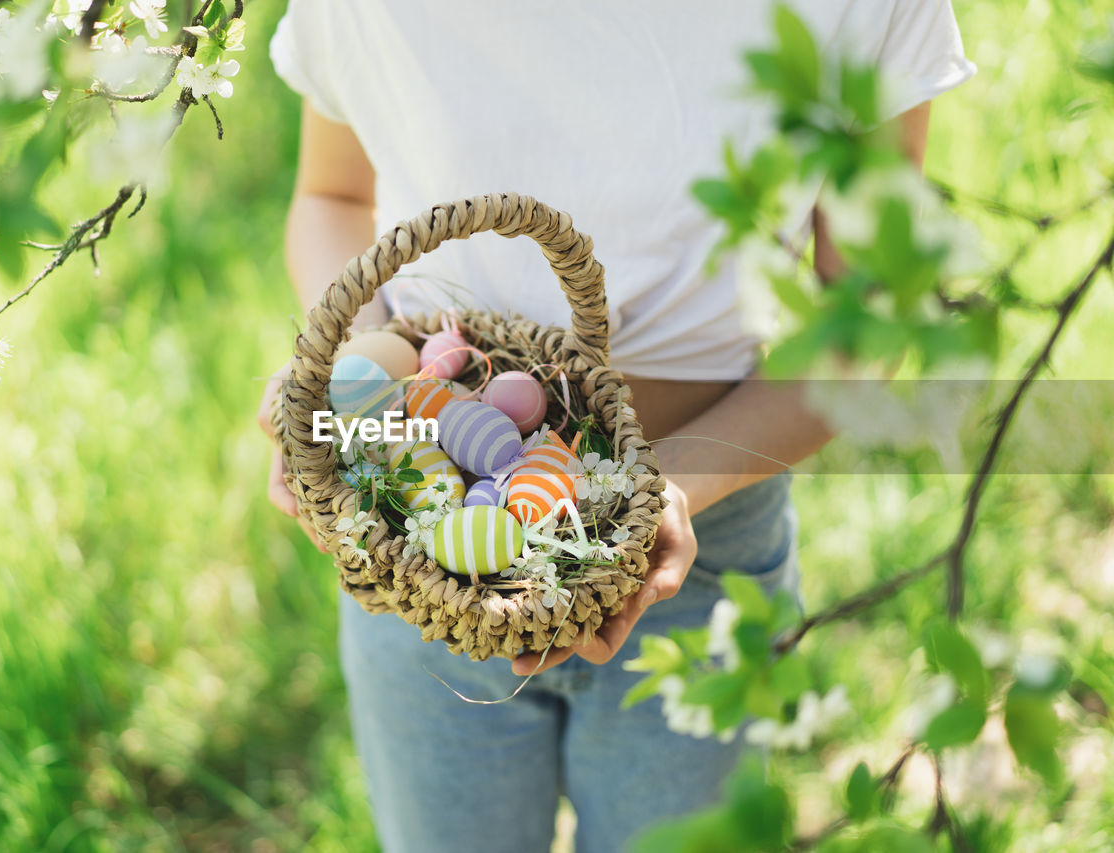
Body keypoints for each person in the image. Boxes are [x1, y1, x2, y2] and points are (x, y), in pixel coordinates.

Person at [257, 2, 975, 850]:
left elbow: (864, 313)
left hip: (707, 546)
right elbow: (332, 193)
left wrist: (664, 491)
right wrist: (347, 382)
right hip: (419, 543)